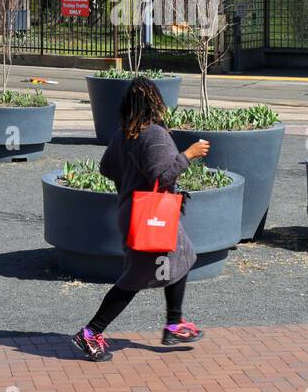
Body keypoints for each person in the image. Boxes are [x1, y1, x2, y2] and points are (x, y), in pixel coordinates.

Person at [73, 77, 210, 363]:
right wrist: (188, 155)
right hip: (151, 219)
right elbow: (162, 176)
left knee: (183, 256)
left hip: (136, 212)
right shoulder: (154, 135)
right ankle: (90, 332)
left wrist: (130, 182)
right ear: (155, 103)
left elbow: (106, 168)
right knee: (135, 278)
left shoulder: (124, 134)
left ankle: (175, 323)